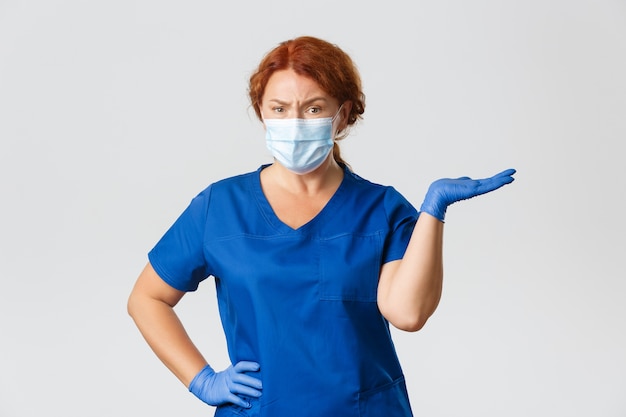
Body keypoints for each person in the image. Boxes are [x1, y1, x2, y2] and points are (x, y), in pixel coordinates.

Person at [127, 35, 515, 416]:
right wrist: (203, 380)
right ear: (261, 112)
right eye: (279, 109)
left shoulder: (380, 208)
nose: (294, 122)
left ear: (342, 115)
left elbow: (407, 314)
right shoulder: (220, 207)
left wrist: (433, 211)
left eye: (313, 108)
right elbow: (147, 298)